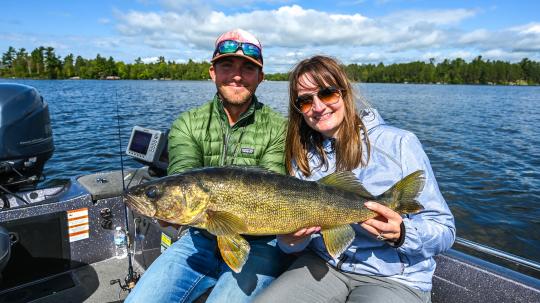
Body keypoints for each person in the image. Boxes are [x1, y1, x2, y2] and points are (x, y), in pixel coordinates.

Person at [254, 55, 455, 303]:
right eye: (305, 101)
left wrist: (402, 233)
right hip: (324, 265)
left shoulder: (400, 143)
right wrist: (289, 239)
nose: (317, 107)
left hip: (394, 277)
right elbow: (292, 246)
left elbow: (444, 230)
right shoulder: (302, 157)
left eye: (327, 93)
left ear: (345, 92)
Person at [125, 29, 291, 303]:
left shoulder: (279, 128)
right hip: (199, 239)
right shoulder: (187, 124)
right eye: (227, 65)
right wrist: (164, 206)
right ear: (212, 72)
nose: (237, 75)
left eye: (248, 68)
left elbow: (274, 188)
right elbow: (180, 182)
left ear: (260, 78)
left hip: (260, 242)